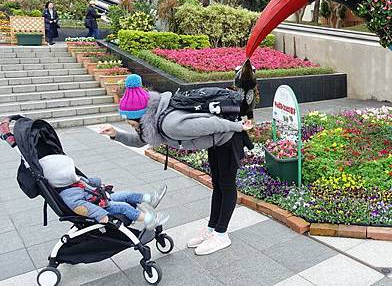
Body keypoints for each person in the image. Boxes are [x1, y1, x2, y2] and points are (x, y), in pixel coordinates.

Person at [99, 74, 254, 255]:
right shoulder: (154, 118)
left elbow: (210, 124)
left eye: (132, 124)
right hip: (217, 142)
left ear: (141, 118)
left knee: (226, 185)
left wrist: (238, 127)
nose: (132, 127)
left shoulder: (171, 124)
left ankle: (221, 234)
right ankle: (212, 228)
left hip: (228, 138)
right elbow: (141, 140)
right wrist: (115, 134)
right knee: (218, 185)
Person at [39, 154, 169, 228]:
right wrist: (101, 215)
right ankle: (150, 219)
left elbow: (90, 184)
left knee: (127, 194)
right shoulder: (68, 195)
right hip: (101, 208)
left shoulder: (73, 182)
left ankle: (150, 199)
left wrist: (94, 182)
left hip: (102, 198)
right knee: (124, 207)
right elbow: (83, 208)